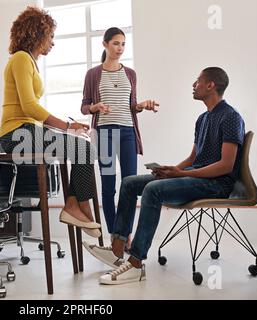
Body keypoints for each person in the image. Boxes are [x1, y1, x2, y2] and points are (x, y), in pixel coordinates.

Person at [84, 67, 245, 284]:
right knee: (130, 183)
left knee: (153, 189)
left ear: (211, 85)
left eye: (197, 81)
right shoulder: (202, 119)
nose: (193, 85)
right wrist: (171, 171)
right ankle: (117, 249)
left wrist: (180, 173)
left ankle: (136, 263)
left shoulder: (231, 117)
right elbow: (193, 158)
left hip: (215, 184)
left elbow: (225, 166)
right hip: (194, 177)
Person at [0, 6, 101, 238]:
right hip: (15, 134)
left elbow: (30, 111)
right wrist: (67, 126)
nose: (53, 42)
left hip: (25, 130)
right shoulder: (21, 58)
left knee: (83, 148)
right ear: (38, 33)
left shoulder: (29, 62)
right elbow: (29, 107)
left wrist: (67, 128)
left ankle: (75, 205)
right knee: (84, 148)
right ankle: (78, 207)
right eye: (51, 36)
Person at [81, 27, 159, 247]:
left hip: (127, 133)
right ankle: (115, 235)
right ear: (105, 44)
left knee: (131, 185)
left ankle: (126, 235)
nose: (120, 48)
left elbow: (132, 105)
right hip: (105, 134)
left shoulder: (130, 74)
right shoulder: (93, 74)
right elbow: (84, 107)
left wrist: (141, 106)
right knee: (108, 187)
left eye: (123, 44)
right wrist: (95, 106)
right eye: (116, 43)